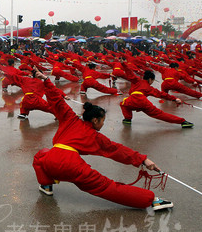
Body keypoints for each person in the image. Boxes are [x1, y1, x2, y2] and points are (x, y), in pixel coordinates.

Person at [31, 70, 173, 211]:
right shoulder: (95, 136)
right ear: (95, 120)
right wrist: (143, 159)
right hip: (72, 166)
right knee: (107, 187)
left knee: (40, 156)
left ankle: (46, 185)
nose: (103, 124)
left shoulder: (69, 118)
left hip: (51, 159)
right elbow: (117, 150)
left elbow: (57, 100)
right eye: (102, 121)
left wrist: (46, 80)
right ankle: (152, 200)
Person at [119, 64, 193, 128]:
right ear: (150, 79)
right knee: (160, 114)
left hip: (131, 100)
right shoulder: (149, 88)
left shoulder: (136, 81)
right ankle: (182, 122)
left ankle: (127, 119)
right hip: (143, 102)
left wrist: (123, 64)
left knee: (123, 104)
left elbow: (129, 73)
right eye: (152, 81)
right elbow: (162, 94)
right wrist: (174, 99)